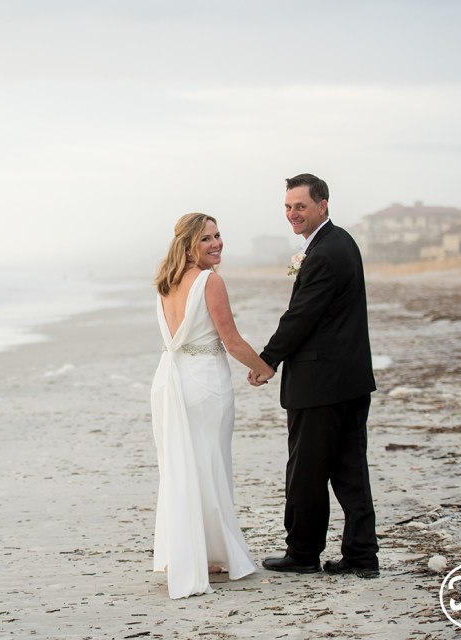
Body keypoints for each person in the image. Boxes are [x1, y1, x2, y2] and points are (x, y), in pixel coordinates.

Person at [249, 173, 379, 578]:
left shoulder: (323, 253)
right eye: (288, 207)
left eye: (301, 206)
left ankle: (303, 553)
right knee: (350, 471)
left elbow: (301, 316)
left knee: (306, 470)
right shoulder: (342, 242)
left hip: (320, 383)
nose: (293, 214)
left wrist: (267, 359)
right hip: (350, 379)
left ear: (323, 205)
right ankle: (362, 555)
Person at [150, 212, 275, 599]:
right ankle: (206, 553)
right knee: (210, 465)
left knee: (184, 466)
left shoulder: (166, 282)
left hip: (171, 380)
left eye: (218, 235)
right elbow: (232, 340)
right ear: (189, 245)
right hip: (204, 382)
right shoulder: (209, 281)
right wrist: (265, 367)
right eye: (206, 238)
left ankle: (194, 553)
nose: (217, 243)